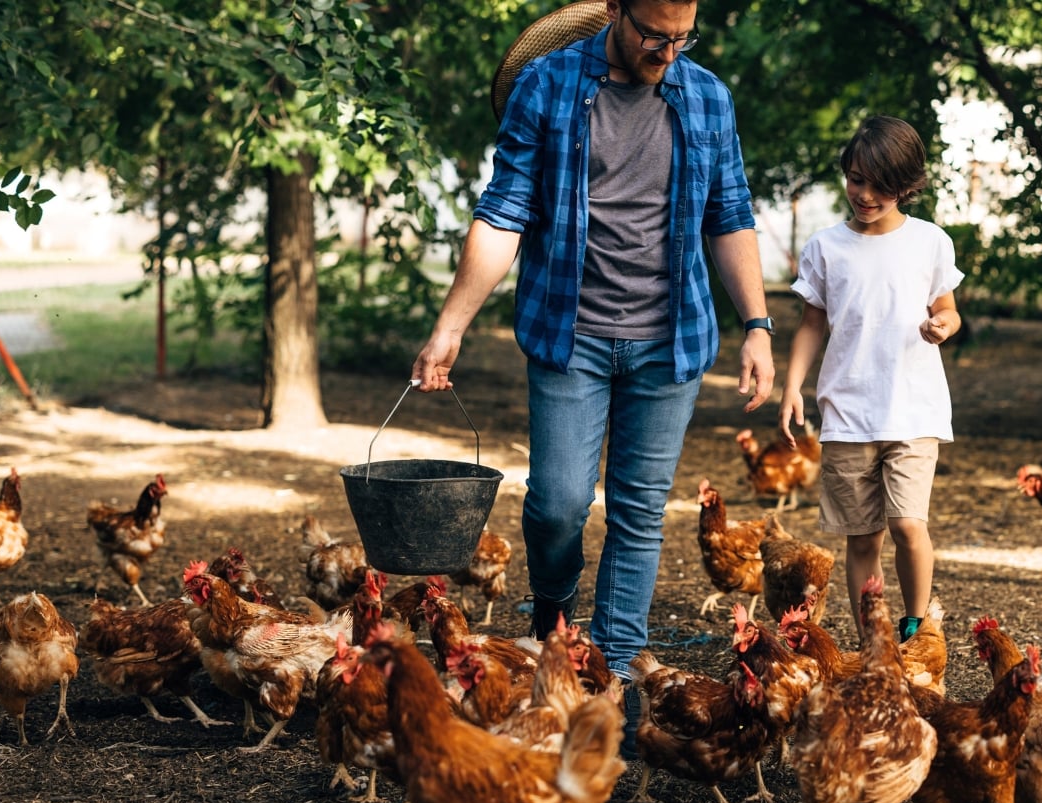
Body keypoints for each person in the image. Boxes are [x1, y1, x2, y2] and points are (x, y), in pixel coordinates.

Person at [410, 0, 775, 756]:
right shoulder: (546, 86)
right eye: (653, 34)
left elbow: (729, 212)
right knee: (558, 506)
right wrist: (450, 328)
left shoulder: (706, 95)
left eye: (683, 37)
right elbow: (504, 211)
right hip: (568, 335)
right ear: (615, 8)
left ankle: (610, 690)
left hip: (670, 342)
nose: (667, 52)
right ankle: (553, 612)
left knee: (640, 516)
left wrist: (758, 325)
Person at [778, 115, 962, 642]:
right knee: (862, 540)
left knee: (907, 525)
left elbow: (948, 310)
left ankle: (914, 625)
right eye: (856, 179)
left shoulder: (930, 242)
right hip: (847, 412)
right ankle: (871, 642)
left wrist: (941, 326)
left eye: (881, 186)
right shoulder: (825, 247)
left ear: (906, 186)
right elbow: (812, 323)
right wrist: (792, 386)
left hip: (913, 409)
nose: (865, 194)